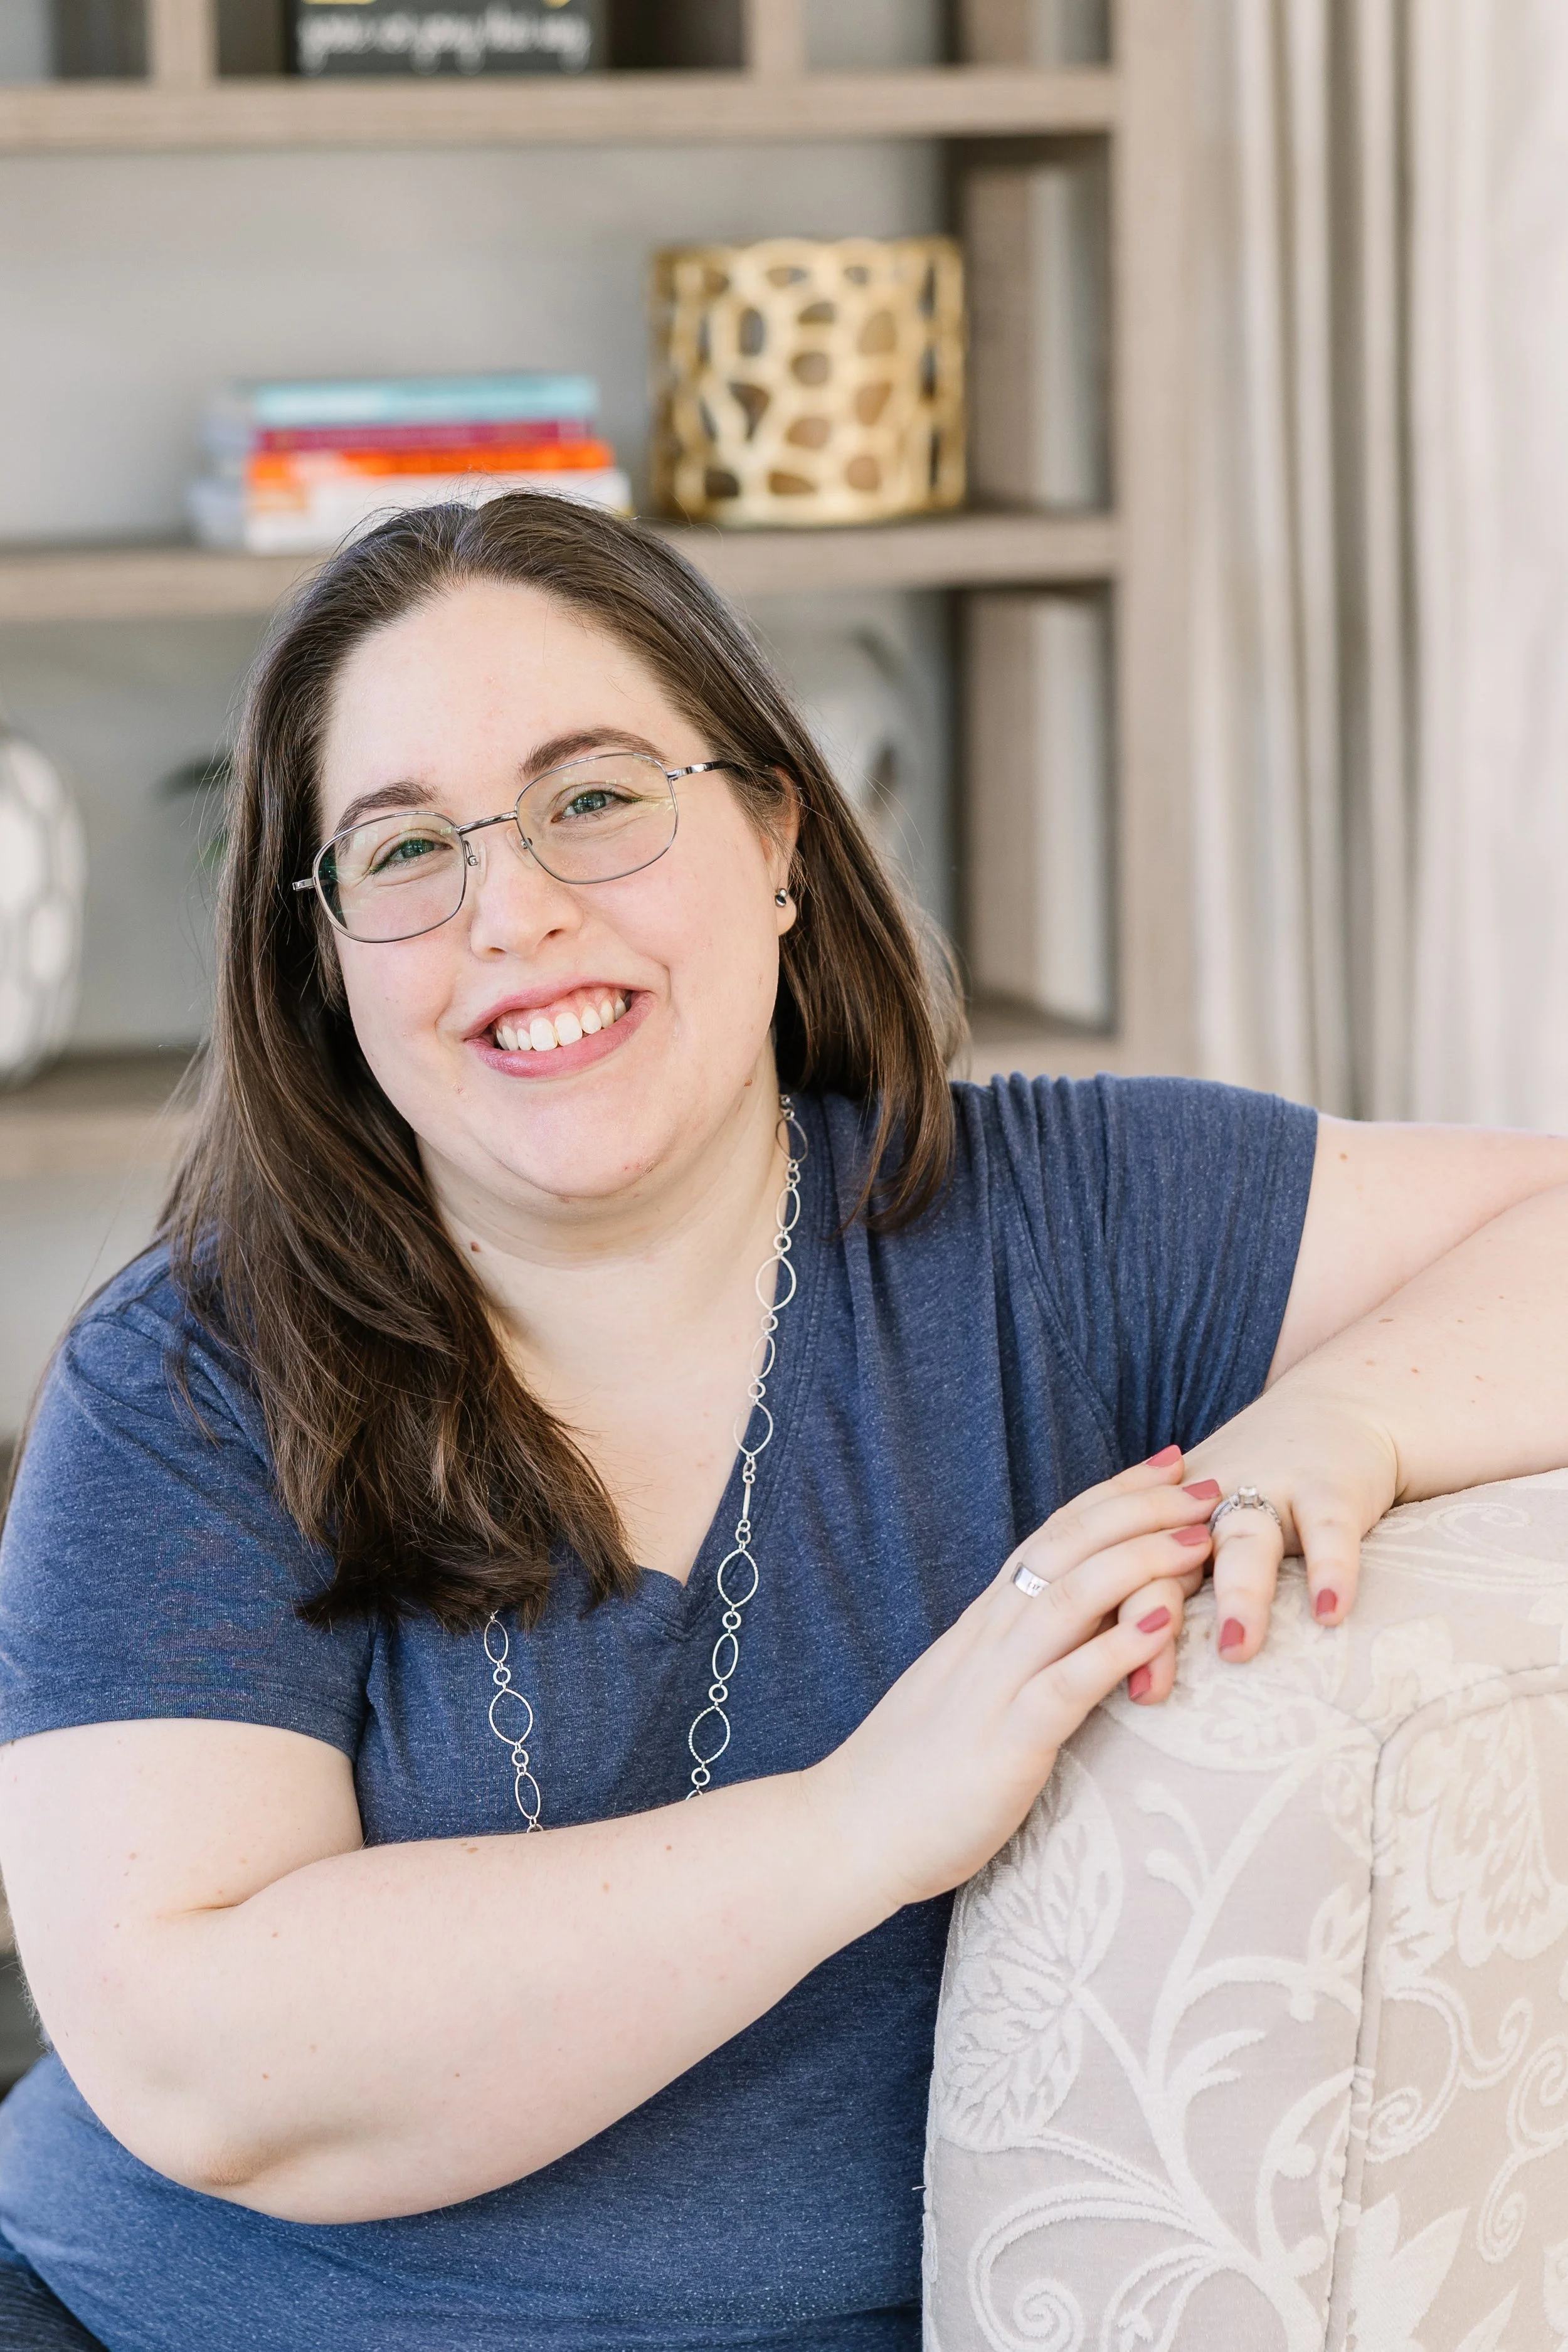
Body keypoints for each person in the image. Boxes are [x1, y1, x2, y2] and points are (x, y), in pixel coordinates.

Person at [0, 494, 1564, 2352]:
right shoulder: (187, 1372)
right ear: (328, 962)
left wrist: (1336, 1426)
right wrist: (862, 1820)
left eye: (595, 796)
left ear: (777, 840)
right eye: (404, 850)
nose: (514, 912)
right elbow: (200, 2056)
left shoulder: (1055, 1225)